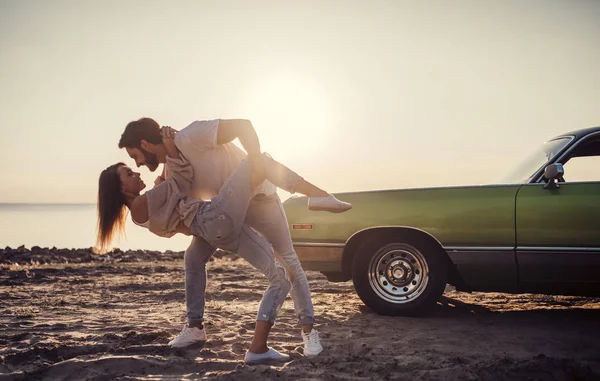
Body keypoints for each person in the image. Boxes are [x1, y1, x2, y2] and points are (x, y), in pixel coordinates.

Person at [118, 118, 351, 357]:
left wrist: (256, 161)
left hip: (260, 199)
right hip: (225, 209)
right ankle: (194, 327)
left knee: (288, 259)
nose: (137, 163)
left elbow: (243, 126)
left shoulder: (190, 136)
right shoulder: (172, 164)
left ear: (145, 144)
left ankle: (308, 331)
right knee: (193, 258)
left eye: (135, 156)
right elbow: (170, 205)